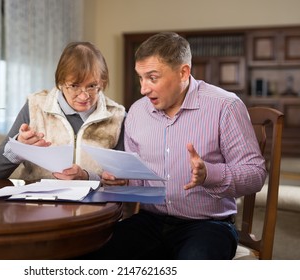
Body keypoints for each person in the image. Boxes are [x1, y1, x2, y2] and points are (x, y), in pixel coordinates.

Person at [97, 32, 267, 260]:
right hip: (150, 221)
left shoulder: (225, 106)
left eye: (152, 78)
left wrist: (209, 174)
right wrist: (123, 179)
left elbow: (255, 175)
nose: (143, 89)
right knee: (92, 256)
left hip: (208, 225)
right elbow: (139, 180)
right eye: (140, 78)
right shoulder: (138, 111)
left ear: (183, 72)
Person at [0, 42, 126, 183]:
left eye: (92, 86)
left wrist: (86, 176)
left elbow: (121, 181)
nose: (84, 96)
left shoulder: (117, 116)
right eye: (74, 86)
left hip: (95, 204)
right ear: (60, 82)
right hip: (37, 202)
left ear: (102, 83)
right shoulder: (35, 106)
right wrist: (18, 147)